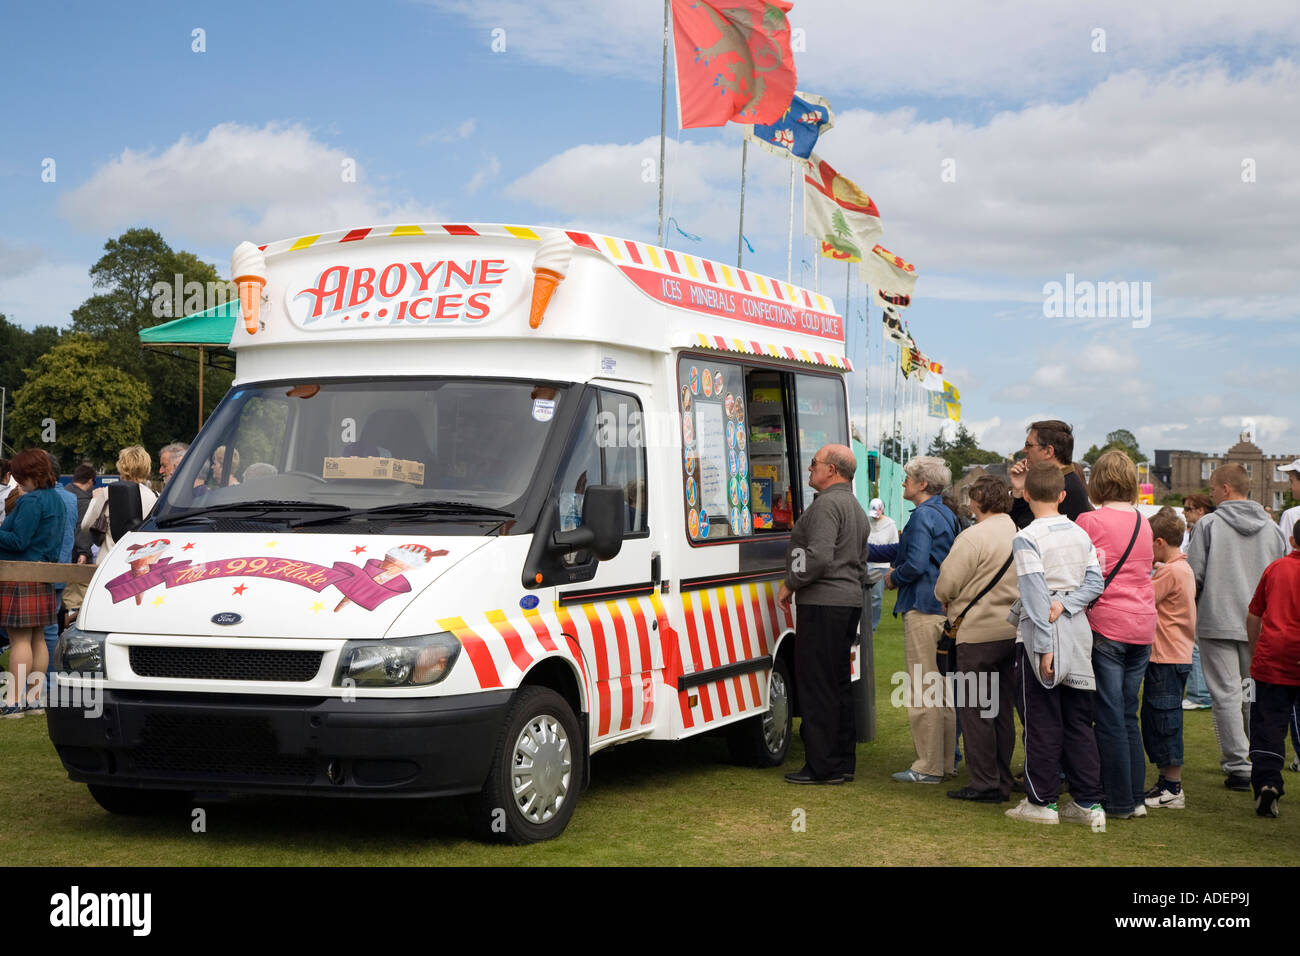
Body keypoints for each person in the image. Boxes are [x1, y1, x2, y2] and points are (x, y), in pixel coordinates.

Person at [1004, 462, 1107, 827]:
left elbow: (1034, 596)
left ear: (1027, 494)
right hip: (1078, 632)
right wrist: (1068, 605)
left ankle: (1042, 802)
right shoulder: (1080, 533)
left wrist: (1046, 640)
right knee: (1079, 721)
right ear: (1063, 496)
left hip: (1041, 634)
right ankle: (1087, 802)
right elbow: (1096, 583)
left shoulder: (1027, 536)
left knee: (1042, 722)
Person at [1186, 463, 1287, 791]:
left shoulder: (1209, 524)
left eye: (1214, 488)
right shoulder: (1272, 529)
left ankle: (1238, 763)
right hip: (1258, 623)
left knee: (1226, 695)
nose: (1211, 493)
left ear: (1226, 489)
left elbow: (1194, 576)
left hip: (1218, 620)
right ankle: (1254, 757)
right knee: (1250, 693)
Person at [777, 444, 869, 785]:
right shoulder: (854, 506)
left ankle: (821, 766)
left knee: (817, 685)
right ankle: (842, 762)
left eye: (814, 463)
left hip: (822, 602)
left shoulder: (828, 505)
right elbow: (859, 557)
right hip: (846, 601)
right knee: (838, 683)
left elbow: (816, 556)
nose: (809, 468)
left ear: (831, 470)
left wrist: (791, 582)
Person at [869, 455, 960, 783]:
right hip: (942, 609)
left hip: (923, 608)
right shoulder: (945, 513)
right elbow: (905, 550)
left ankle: (927, 766)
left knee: (924, 690)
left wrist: (894, 578)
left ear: (923, 484)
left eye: (908, 478)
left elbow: (915, 563)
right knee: (944, 692)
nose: (903, 483)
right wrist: (864, 550)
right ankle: (945, 763)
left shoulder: (922, 515)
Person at [1077, 450, 1157, 820]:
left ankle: (1120, 800)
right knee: (1127, 714)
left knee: (1108, 715)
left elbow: (1083, 572)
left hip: (1108, 623)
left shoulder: (1089, 521)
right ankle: (1135, 797)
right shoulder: (1144, 521)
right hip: (1142, 624)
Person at [935, 475, 1019, 802]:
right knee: (1001, 712)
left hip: (977, 633)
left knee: (975, 711)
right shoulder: (1018, 532)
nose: (969, 503)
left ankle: (985, 783)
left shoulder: (973, 537)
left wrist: (947, 596)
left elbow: (946, 584)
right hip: (1011, 632)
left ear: (979, 498)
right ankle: (1000, 775)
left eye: (971, 497)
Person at [0, 449, 66, 717]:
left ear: (28, 475)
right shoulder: (57, 499)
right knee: (38, 639)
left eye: (18, 476)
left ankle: (13, 701)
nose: (16, 481)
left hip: (21, 574)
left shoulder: (31, 502)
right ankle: (34, 698)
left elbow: (18, 541)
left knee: (19, 641)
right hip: (43, 574)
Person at [1142, 508, 1196, 810]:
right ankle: (1166, 781)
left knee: (1164, 719)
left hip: (1166, 655)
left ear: (1160, 543)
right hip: (1175, 654)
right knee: (1160, 716)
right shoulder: (1182, 569)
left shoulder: (1170, 572)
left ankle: (1173, 785)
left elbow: (1144, 597)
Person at [1246, 525, 1300, 816]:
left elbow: (1254, 613)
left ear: (1292, 540)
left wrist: (1255, 650)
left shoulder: (1276, 569)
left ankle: (1267, 782)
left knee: (1268, 723)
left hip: (1272, 658)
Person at [1007, 420, 1094, 529]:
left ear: (1048, 451)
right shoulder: (1065, 481)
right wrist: (1019, 490)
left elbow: (1033, 530)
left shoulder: (1066, 488)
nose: (1024, 450)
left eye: (1028, 445)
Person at [81, 446, 159, 563]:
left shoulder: (107, 493)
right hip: (141, 561)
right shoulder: (156, 496)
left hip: (110, 561)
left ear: (121, 467)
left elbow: (86, 525)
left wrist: (95, 499)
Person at [1180, 493, 1215, 710]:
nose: (1184, 513)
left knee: (1195, 645)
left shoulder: (1203, 529)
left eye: (1187, 508)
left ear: (1200, 510)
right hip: (1218, 597)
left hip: (1204, 596)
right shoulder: (1210, 528)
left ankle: (1200, 694)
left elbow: (1197, 569)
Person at [865, 497, 898, 634]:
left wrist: (893, 566)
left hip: (881, 565)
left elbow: (895, 545)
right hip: (866, 563)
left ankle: (871, 626)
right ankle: (863, 624)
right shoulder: (866, 522)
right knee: (864, 596)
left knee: (876, 597)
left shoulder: (890, 525)